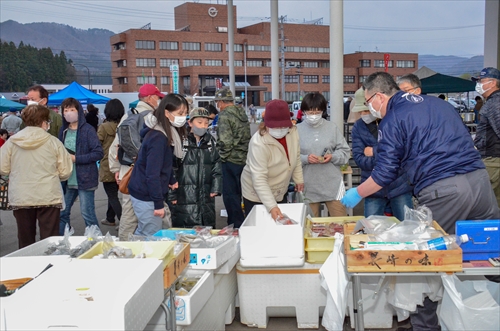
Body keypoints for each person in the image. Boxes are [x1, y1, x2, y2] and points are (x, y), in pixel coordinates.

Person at [341, 72, 499, 331]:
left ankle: (424, 327)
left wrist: (358, 192)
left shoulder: (393, 119)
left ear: (379, 96)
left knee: (424, 262)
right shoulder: (438, 104)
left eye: (368, 101)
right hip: (480, 183)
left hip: (445, 191)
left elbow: (384, 173)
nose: (369, 107)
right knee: (491, 251)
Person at [0, 104, 73, 248]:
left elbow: (3, 168)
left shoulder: (12, 142)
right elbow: (65, 171)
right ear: (43, 122)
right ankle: (49, 267)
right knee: (50, 240)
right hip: (48, 195)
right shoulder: (53, 142)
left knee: (25, 240)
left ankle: (28, 267)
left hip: (21, 196)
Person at [108, 83, 164, 240]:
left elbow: (115, 146)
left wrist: (116, 170)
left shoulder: (128, 115)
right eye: (157, 97)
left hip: (128, 169)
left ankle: (124, 244)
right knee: (150, 211)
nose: (158, 101)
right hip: (146, 171)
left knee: (128, 211)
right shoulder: (153, 118)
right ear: (150, 98)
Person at [128, 94, 188, 236]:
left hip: (144, 191)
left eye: (185, 113)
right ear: (167, 113)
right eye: (180, 113)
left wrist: (171, 179)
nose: (183, 117)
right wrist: (158, 204)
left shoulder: (162, 131)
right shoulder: (159, 137)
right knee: (152, 235)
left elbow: (162, 164)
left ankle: (132, 254)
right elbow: (152, 174)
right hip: (146, 194)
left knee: (144, 231)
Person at [350, 87, 413, 221]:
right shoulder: (358, 127)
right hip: (372, 189)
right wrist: (388, 156)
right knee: (372, 230)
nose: (364, 113)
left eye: (366, 109)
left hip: (399, 186)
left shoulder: (394, 120)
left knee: (408, 227)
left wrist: (374, 151)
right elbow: (360, 160)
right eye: (361, 111)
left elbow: (403, 154)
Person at [241, 99, 304, 220]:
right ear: (266, 124)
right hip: (256, 194)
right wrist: (272, 206)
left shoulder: (293, 132)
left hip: (280, 189)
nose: (280, 129)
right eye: (276, 126)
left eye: (283, 125)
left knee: (281, 227)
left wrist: (298, 179)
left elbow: (295, 157)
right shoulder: (258, 143)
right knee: (261, 228)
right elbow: (259, 179)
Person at [297, 92, 350, 217]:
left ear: (323, 111)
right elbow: (289, 158)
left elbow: (345, 152)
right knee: (309, 224)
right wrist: (306, 158)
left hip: (333, 184)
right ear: (304, 111)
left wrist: (333, 156)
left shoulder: (332, 128)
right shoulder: (296, 130)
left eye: (317, 112)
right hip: (307, 184)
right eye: (310, 113)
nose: (314, 116)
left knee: (340, 222)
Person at [168, 107, 222, 228]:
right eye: (199, 122)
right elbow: (172, 169)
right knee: (185, 231)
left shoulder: (210, 142)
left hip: (206, 196)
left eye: (206, 123)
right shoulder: (181, 141)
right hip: (184, 196)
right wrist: (172, 195)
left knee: (206, 229)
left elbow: (216, 165)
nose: (203, 126)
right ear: (190, 122)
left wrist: (216, 187)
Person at [58, 97, 104, 235]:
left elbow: (98, 153)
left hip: (85, 178)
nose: (69, 113)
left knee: (87, 213)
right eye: (66, 110)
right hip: (67, 179)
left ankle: (97, 243)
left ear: (79, 111)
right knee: (62, 213)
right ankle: (64, 242)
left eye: (72, 109)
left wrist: (76, 158)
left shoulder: (88, 130)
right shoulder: (63, 130)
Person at [215, 87, 251, 228]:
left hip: (230, 160)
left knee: (231, 195)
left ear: (222, 102)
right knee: (243, 192)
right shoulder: (242, 113)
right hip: (243, 159)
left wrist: (221, 158)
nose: (218, 105)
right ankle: (244, 222)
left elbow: (225, 141)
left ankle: (235, 224)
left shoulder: (225, 116)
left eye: (218, 102)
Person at [472, 67, 500, 207]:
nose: (478, 84)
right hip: (491, 158)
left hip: (493, 160)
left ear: (492, 83)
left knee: (487, 204)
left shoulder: (495, 103)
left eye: (481, 81)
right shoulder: (491, 102)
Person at [98, 99, 125, 227]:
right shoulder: (124, 125)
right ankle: (110, 218)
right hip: (122, 164)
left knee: (112, 195)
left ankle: (123, 221)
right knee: (113, 194)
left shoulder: (103, 127)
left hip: (107, 164)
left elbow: (97, 145)